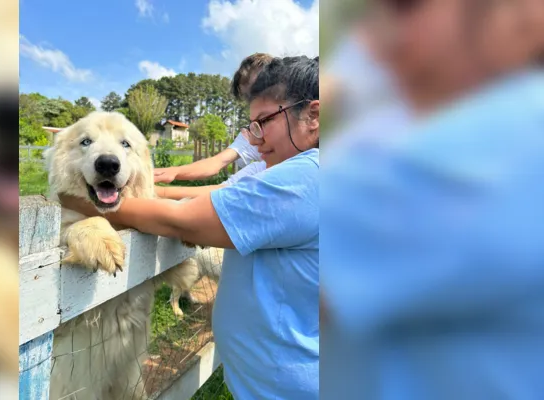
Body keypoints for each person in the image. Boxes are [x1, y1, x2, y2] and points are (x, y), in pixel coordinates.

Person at [59, 55, 320, 399]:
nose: (254, 141)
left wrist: (75, 201)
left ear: (313, 115)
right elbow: (225, 192)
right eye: (251, 126)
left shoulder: (304, 180)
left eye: (264, 121)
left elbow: (180, 221)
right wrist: (154, 190)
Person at [320, 0, 544, 398]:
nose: (380, 32)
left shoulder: (493, 143)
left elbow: (303, 262)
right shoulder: (413, 124)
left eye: (406, 7)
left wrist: (338, 80)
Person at [152, 53, 272, 184]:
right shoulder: (252, 135)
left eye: (259, 91)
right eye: (248, 97)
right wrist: (175, 171)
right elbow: (217, 163)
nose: (254, 101)